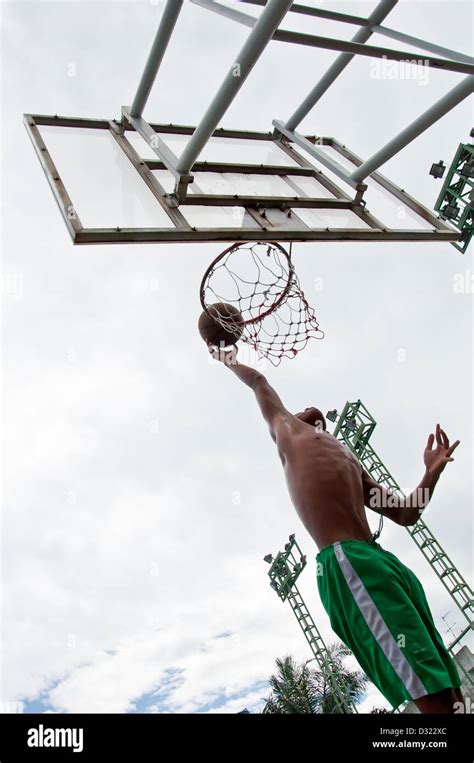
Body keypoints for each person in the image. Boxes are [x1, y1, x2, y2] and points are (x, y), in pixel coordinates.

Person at [209, 345, 463, 714]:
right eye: (299, 407)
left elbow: (406, 513)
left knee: (448, 688)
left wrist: (430, 474)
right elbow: (259, 381)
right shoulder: (288, 433)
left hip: (379, 560)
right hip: (346, 562)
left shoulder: (348, 456)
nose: (308, 407)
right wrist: (225, 355)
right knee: (429, 693)